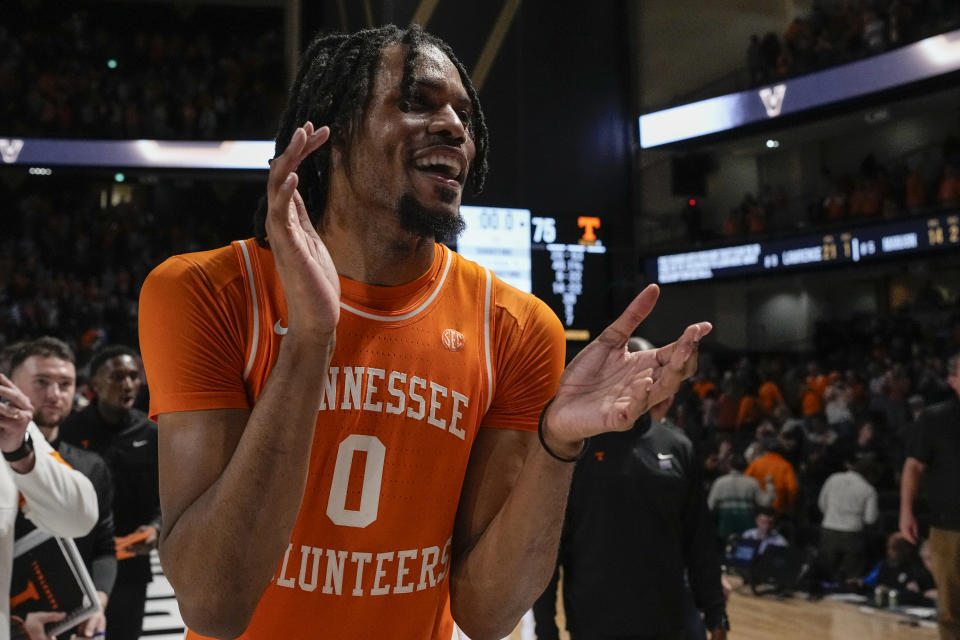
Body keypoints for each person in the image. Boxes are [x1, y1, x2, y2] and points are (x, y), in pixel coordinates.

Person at [137, 24, 712, 640]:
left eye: (463, 114)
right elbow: (212, 605)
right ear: (331, 129)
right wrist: (309, 341)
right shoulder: (204, 291)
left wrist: (557, 445)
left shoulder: (516, 326)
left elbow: (486, 613)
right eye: (417, 101)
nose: (454, 128)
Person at [533, 338, 727, 640]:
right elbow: (549, 549)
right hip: (594, 624)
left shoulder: (678, 447)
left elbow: (699, 538)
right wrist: (545, 628)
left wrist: (715, 612)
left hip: (668, 623)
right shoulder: (576, 448)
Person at [8, 338, 116, 639]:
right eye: (41, 382)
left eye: (65, 384)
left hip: (74, 623)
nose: (54, 394)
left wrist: (97, 603)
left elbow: (104, 547)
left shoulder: (91, 465)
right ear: (11, 385)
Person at [61, 346, 160, 640]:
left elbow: (167, 494)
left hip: (131, 561)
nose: (128, 384)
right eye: (118, 376)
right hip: (79, 561)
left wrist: (156, 527)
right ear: (95, 385)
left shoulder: (151, 432)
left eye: (133, 376)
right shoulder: (68, 429)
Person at [901, 351, 960, 640]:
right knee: (950, 608)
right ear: (953, 380)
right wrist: (905, 512)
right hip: (948, 527)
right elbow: (913, 466)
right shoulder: (935, 418)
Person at [817, 457, 879, 582]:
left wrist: (832, 516)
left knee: (826, 573)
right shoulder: (868, 489)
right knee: (852, 577)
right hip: (853, 535)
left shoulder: (833, 479)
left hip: (829, 530)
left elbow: (821, 504)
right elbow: (870, 519)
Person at [708, 452, 774, 542]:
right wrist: (770, 485)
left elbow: (710, 506)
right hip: (747, 528)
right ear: (746, 466)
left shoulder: (719, 482)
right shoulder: (752, 483)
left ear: (729, 466)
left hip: (725, 529)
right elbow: (766, 503)